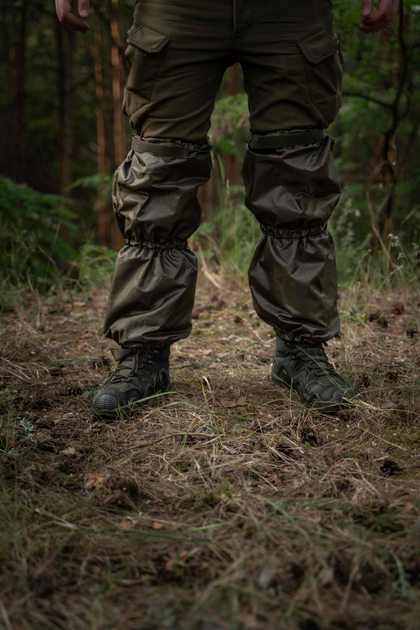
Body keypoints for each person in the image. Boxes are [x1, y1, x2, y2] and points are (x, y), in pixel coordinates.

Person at [55, 0, 399, 418]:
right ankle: (144, 354)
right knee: (157, 171)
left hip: (293, 11)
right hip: (177, 9)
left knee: (298, 170)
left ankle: (299, 350)